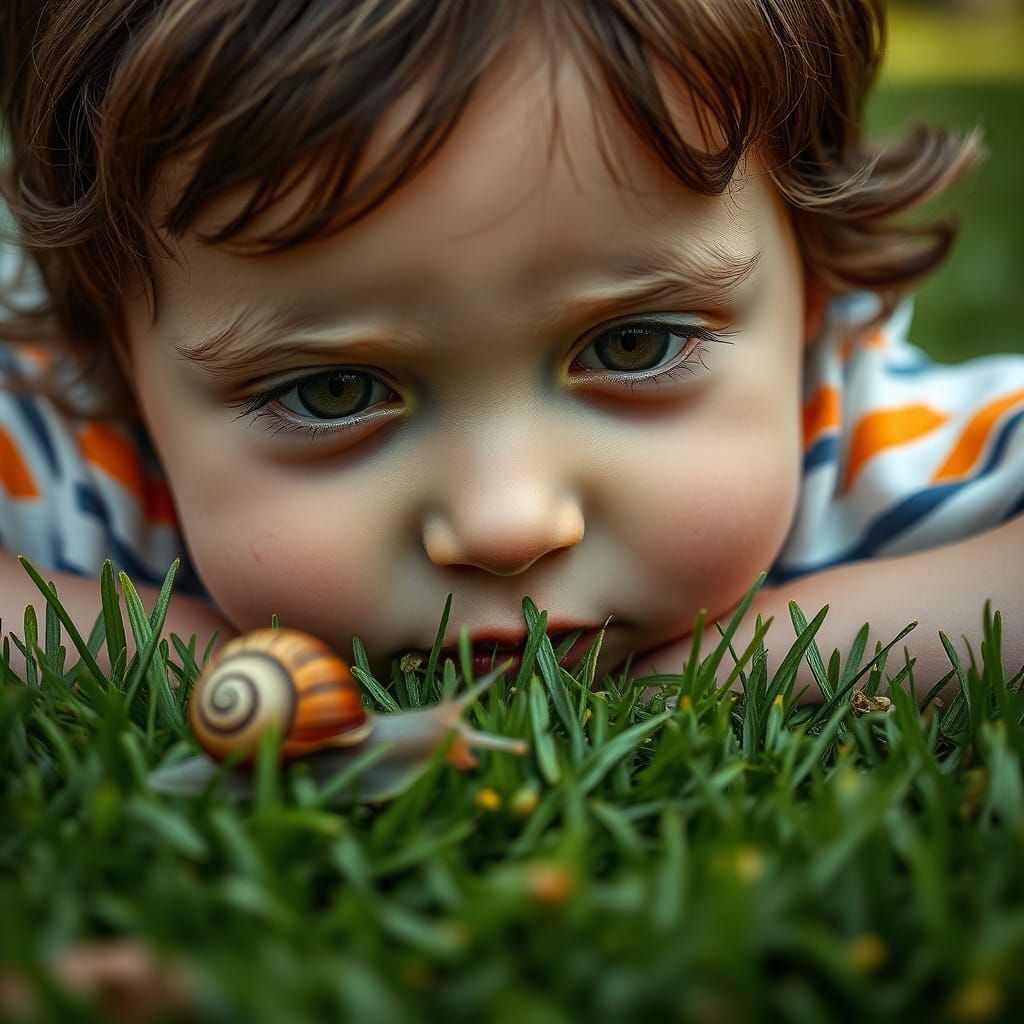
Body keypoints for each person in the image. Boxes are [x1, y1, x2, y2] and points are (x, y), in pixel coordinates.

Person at [1, 0, 1021, 703]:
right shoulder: (87, 468)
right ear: (116, 365)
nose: (507, 524)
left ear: (813, 291)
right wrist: (173, 655)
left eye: (632, 345)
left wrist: (760, 654)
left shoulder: (867, 443)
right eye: (333, 391)